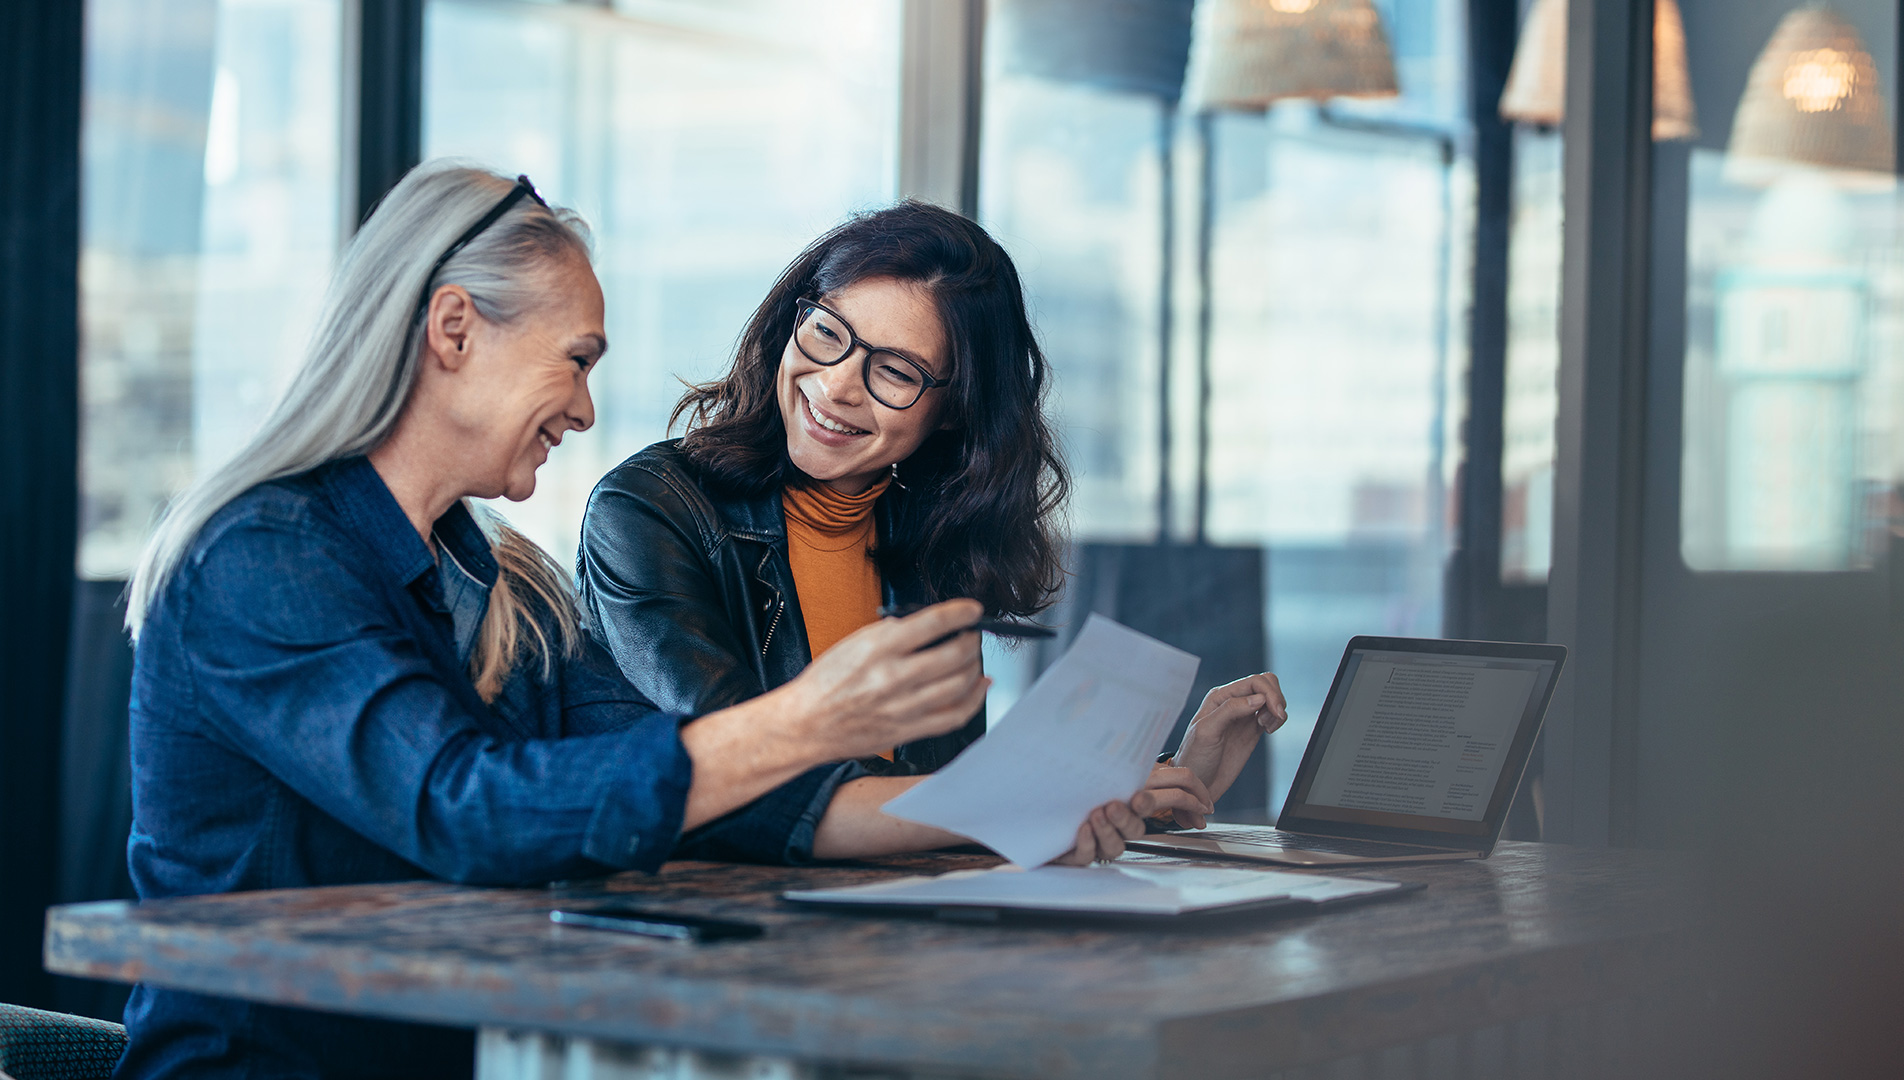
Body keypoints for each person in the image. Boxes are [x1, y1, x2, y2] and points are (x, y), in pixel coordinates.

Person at [115, 165, 1154, 1080]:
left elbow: (689, 792)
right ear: (453, 331)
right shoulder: (262, 556)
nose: (585, 408)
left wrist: (1036, 809)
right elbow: (462, 809)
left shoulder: (491, 574)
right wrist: (803, 723)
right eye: (574, 359)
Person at [578, 201, 1287, 858]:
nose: (837, 385)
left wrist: (1163, 782)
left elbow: (947, 796)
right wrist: (1033, 804)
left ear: (952, 411)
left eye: (896, 370)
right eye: (827, 332)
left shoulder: (933, 540)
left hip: (889, 932)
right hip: (713, 937)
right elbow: (746, 778)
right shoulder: (649, 508)